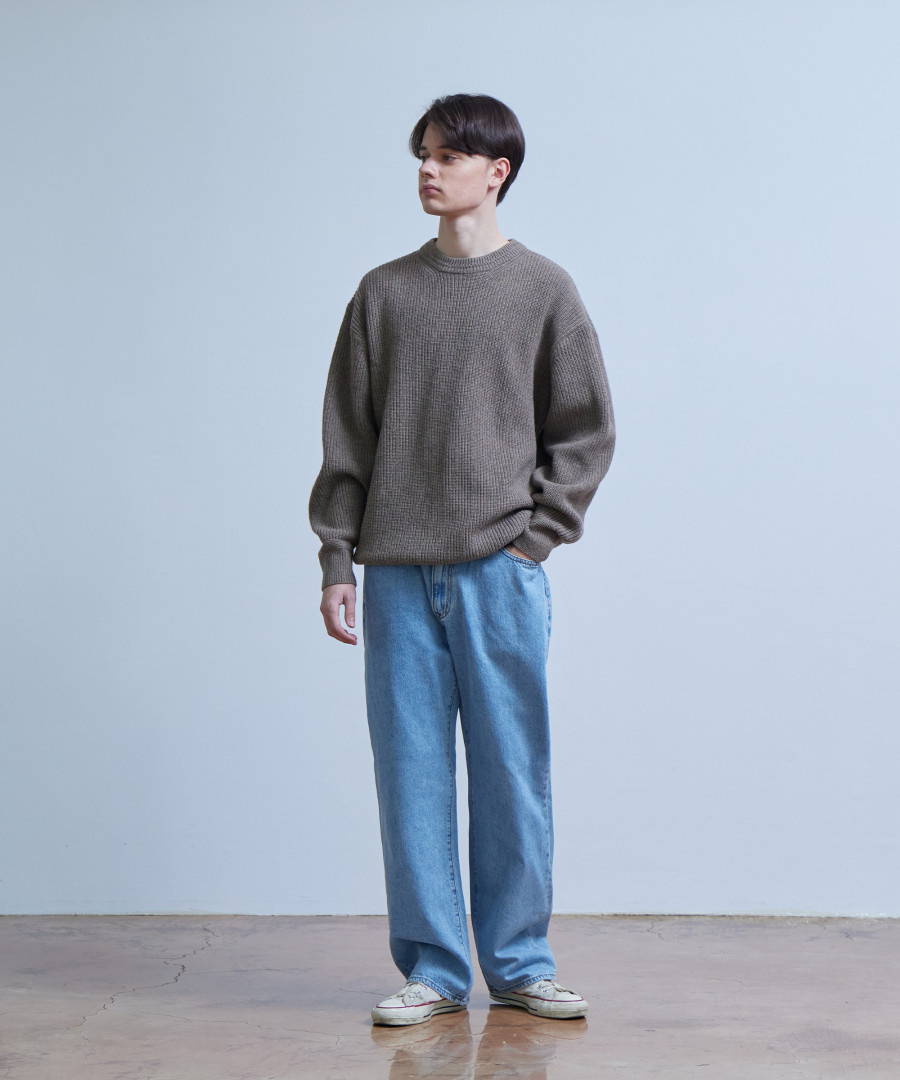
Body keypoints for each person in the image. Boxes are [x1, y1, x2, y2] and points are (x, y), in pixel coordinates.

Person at [308, 93, 615, 1026]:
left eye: (447, 156)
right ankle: (436, 971)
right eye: (424, 154)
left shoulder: (544, 290)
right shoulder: (383, 294)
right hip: (398, 574)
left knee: (513, 773)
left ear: (497, 171)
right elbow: (347, 441)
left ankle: (519, 963)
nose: (427, 170)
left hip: (499, 572)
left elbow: (586, 431)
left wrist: (534, 540)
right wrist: (336, 561)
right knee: (411, 779)